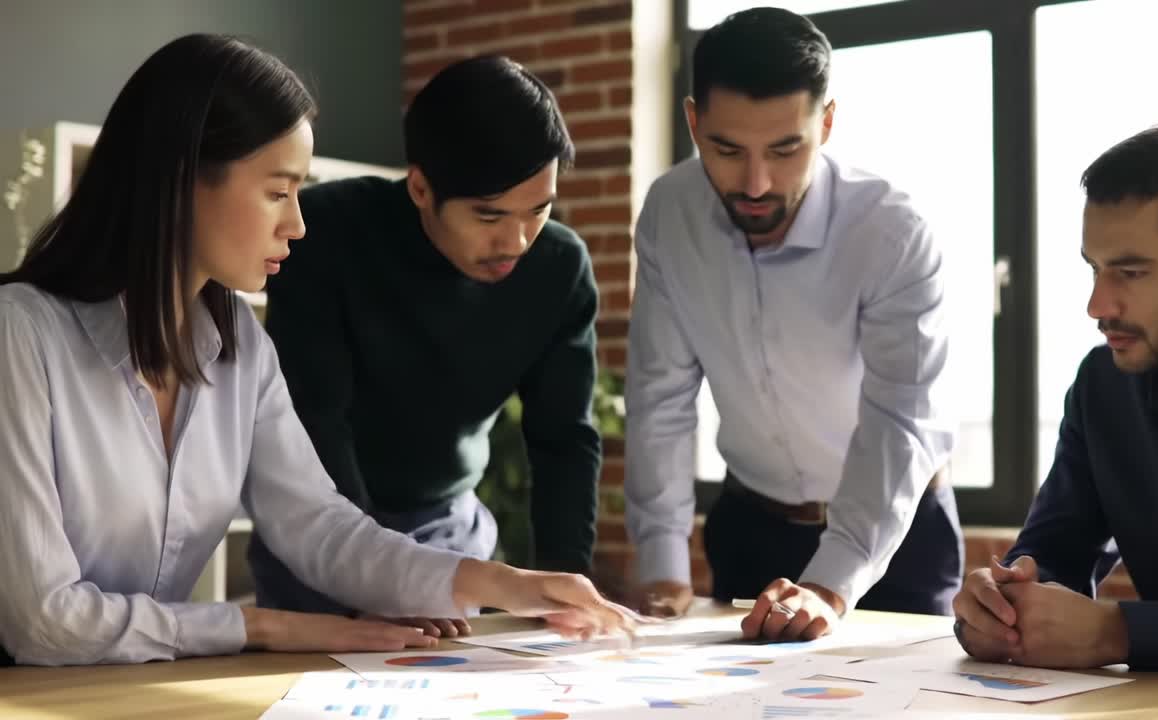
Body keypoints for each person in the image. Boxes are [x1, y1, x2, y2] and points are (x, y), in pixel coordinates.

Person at [0, 34, 634, 667]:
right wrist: (260, 626)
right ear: (183, 179)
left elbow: (317, 524)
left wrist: (512, 584)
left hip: (127, 690)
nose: (298, 224)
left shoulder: (239, 348)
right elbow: (43, 622)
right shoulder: (20, 336)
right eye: (278, 192)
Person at [624, 7, 960, 642]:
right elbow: (659, 396)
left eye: (785, 149)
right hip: (751, 525)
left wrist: (829, 586)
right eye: (726, 149)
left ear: (826, 122)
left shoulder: (891, 232)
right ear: (693, 122)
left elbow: (902, 420)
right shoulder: (670, 213)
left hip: (897, 534)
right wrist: (664, 567)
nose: (756, 182)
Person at [245, 54, 602, 621]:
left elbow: (563, 439)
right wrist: (379, 583)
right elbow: (318, 418)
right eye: (489, 217)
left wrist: (562, 589)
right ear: (419, 188)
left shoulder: (559, 267)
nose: (516, 241)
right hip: (321, 524)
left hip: (450, 526)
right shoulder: (328, 233)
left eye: (538, 210)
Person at [953, 124, 1158, 672]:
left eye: (1131, 271)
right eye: (1095, 268)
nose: (1097, 304)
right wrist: (1003, 606)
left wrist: (1117, 632)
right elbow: (1051, 553)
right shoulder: (1102, 386)